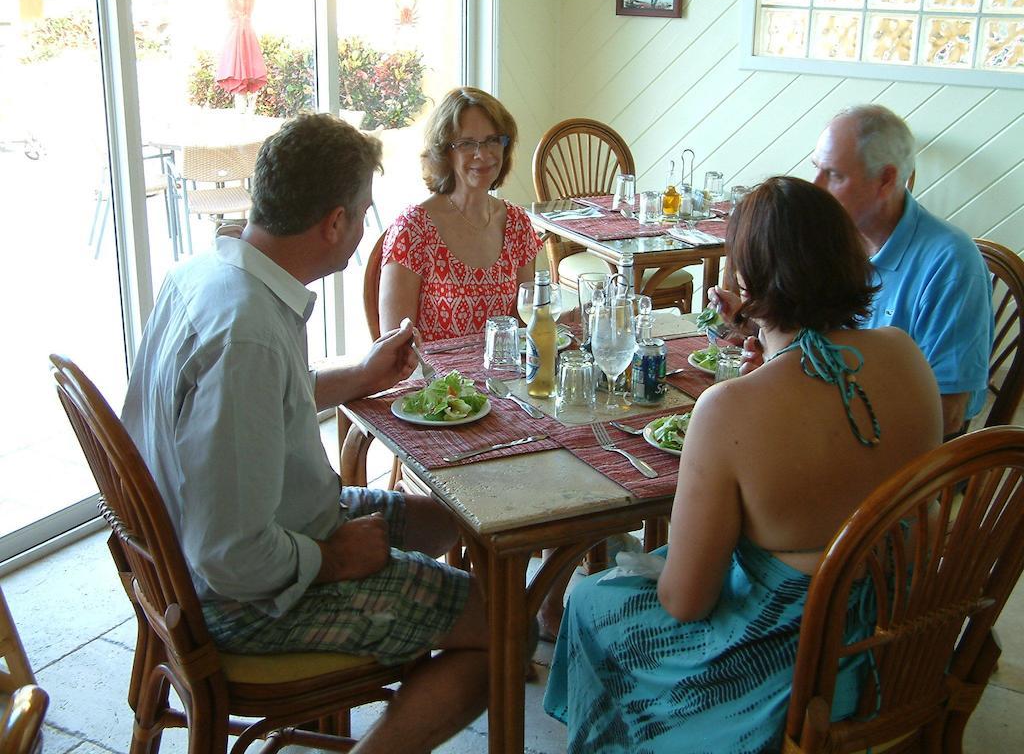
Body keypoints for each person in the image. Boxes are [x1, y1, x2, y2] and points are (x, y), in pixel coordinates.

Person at [121, 113, 490, 754]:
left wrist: (362, 374)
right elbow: (230, 553)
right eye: (362, 213)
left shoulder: (211, 278)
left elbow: (256, 408)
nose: (362, 229)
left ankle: (405, 639)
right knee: (500, 631)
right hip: (238, 599)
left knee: (449, 521)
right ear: (335, 223)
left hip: (230, 537)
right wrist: (332, 560)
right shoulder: (248, 335)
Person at [544, 177, 943, 753]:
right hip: (901, 636)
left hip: (793, 669)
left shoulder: (729, 410)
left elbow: (688, 602)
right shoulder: (905, 354)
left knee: (592, 600)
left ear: (749, 278)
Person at [714, 105, 992, 438]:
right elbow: (807, 344)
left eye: (834, 175)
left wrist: (804, 402)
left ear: (886, 179)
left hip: (901, 465)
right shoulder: (829, 241)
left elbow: (948, 416)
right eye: (816, 169)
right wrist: (758, 331)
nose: (815, 186)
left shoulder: (951, 262)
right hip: (815, 422)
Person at [378, 86, 544, 339]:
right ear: (445, 151)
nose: (483, 154)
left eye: (492, 140)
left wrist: (558, 322)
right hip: (435, 378)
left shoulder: (517, 223)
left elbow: (525, 326)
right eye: (467, 144)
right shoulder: (413, 229)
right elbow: (394, 346)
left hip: (504, 377)